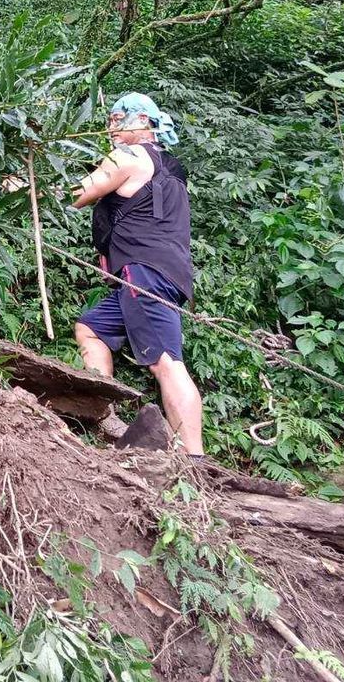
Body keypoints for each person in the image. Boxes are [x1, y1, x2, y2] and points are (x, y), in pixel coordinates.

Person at [70, 92, 204, 456]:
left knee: (166, 361)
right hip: (160, 271)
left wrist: (19, 188)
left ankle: (194, 460)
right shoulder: (170, 166)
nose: (110, 127)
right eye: (110, 119)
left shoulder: (129, 155)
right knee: (91, 329)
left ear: (143, 121)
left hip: (143, 272)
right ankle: (106, 417)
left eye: (118, 119)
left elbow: (79, 193)